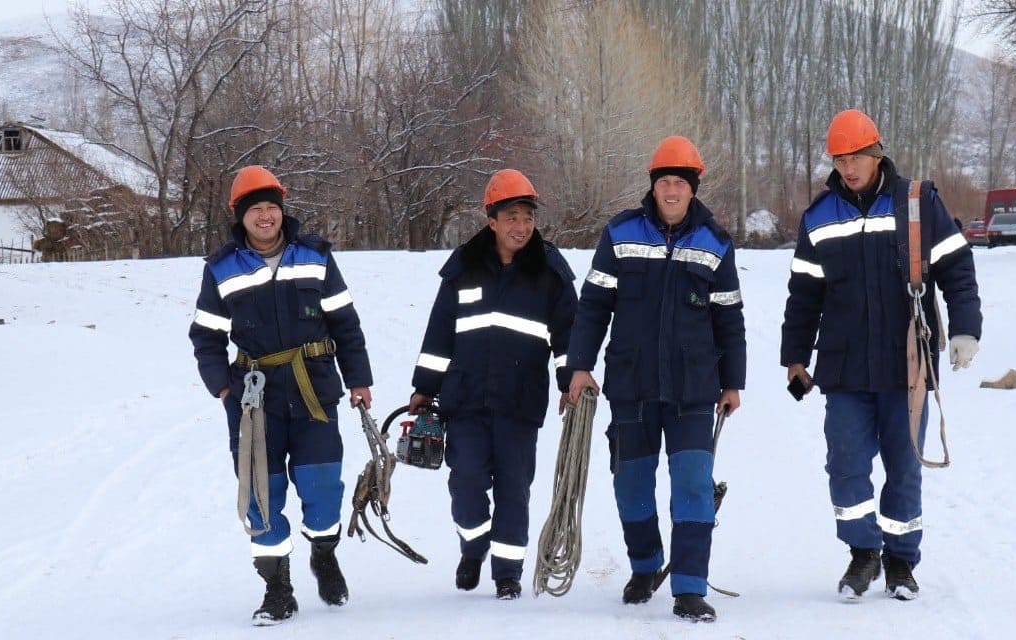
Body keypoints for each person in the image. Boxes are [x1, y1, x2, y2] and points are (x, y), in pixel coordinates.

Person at [780, 110, 982, 601]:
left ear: (876, 153)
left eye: (856, 157)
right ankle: (863, 553)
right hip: (844, 366)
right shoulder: (819, 217)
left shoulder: (917, 202)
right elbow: (804, 294)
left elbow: (956, 266)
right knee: (845, 465)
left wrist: (965, 329)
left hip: (906, 364)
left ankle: (900, 561)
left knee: (904, 466)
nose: (848, 168)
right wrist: (795, 358)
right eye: (839, 160)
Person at [568, 136, 745, 623]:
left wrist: (732, 382)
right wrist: (579, 365)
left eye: (679, 183)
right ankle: (645, 566)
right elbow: (593, 306)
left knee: (692, 484)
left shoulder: (715, 241)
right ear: (653, 185)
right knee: (631, 485)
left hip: (694, 389)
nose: (671, 191)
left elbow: (729, 319)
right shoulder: (620, 233)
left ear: (692, 188)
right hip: (631, 385)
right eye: (664, 182)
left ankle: (689, 588)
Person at [189, 165, 374, 625]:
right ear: (241, 216)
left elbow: (346, 325)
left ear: (282, 210)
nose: (265, 216)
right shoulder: (221, 268)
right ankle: (278, 588)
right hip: (254, 402)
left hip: (314, 391)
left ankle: (324, 554)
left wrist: (358, 380)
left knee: (322, 487)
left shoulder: (315, 257)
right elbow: (206, 336)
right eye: (255, 209)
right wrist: (223, 386)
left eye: (271, 207)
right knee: (261, 495)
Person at [408, 169, 577, 601]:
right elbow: (439, 334)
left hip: (519, 404)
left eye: (528, 217)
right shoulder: (463, 268)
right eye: (512, 217)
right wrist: (425, 386)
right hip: (464, 400)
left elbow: (568, 337)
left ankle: (507, 573)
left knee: (514, 491)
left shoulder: (550, 272)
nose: (521, 226)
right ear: (492, 221)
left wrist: (570, 380)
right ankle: (473, 546)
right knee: (465, 482)